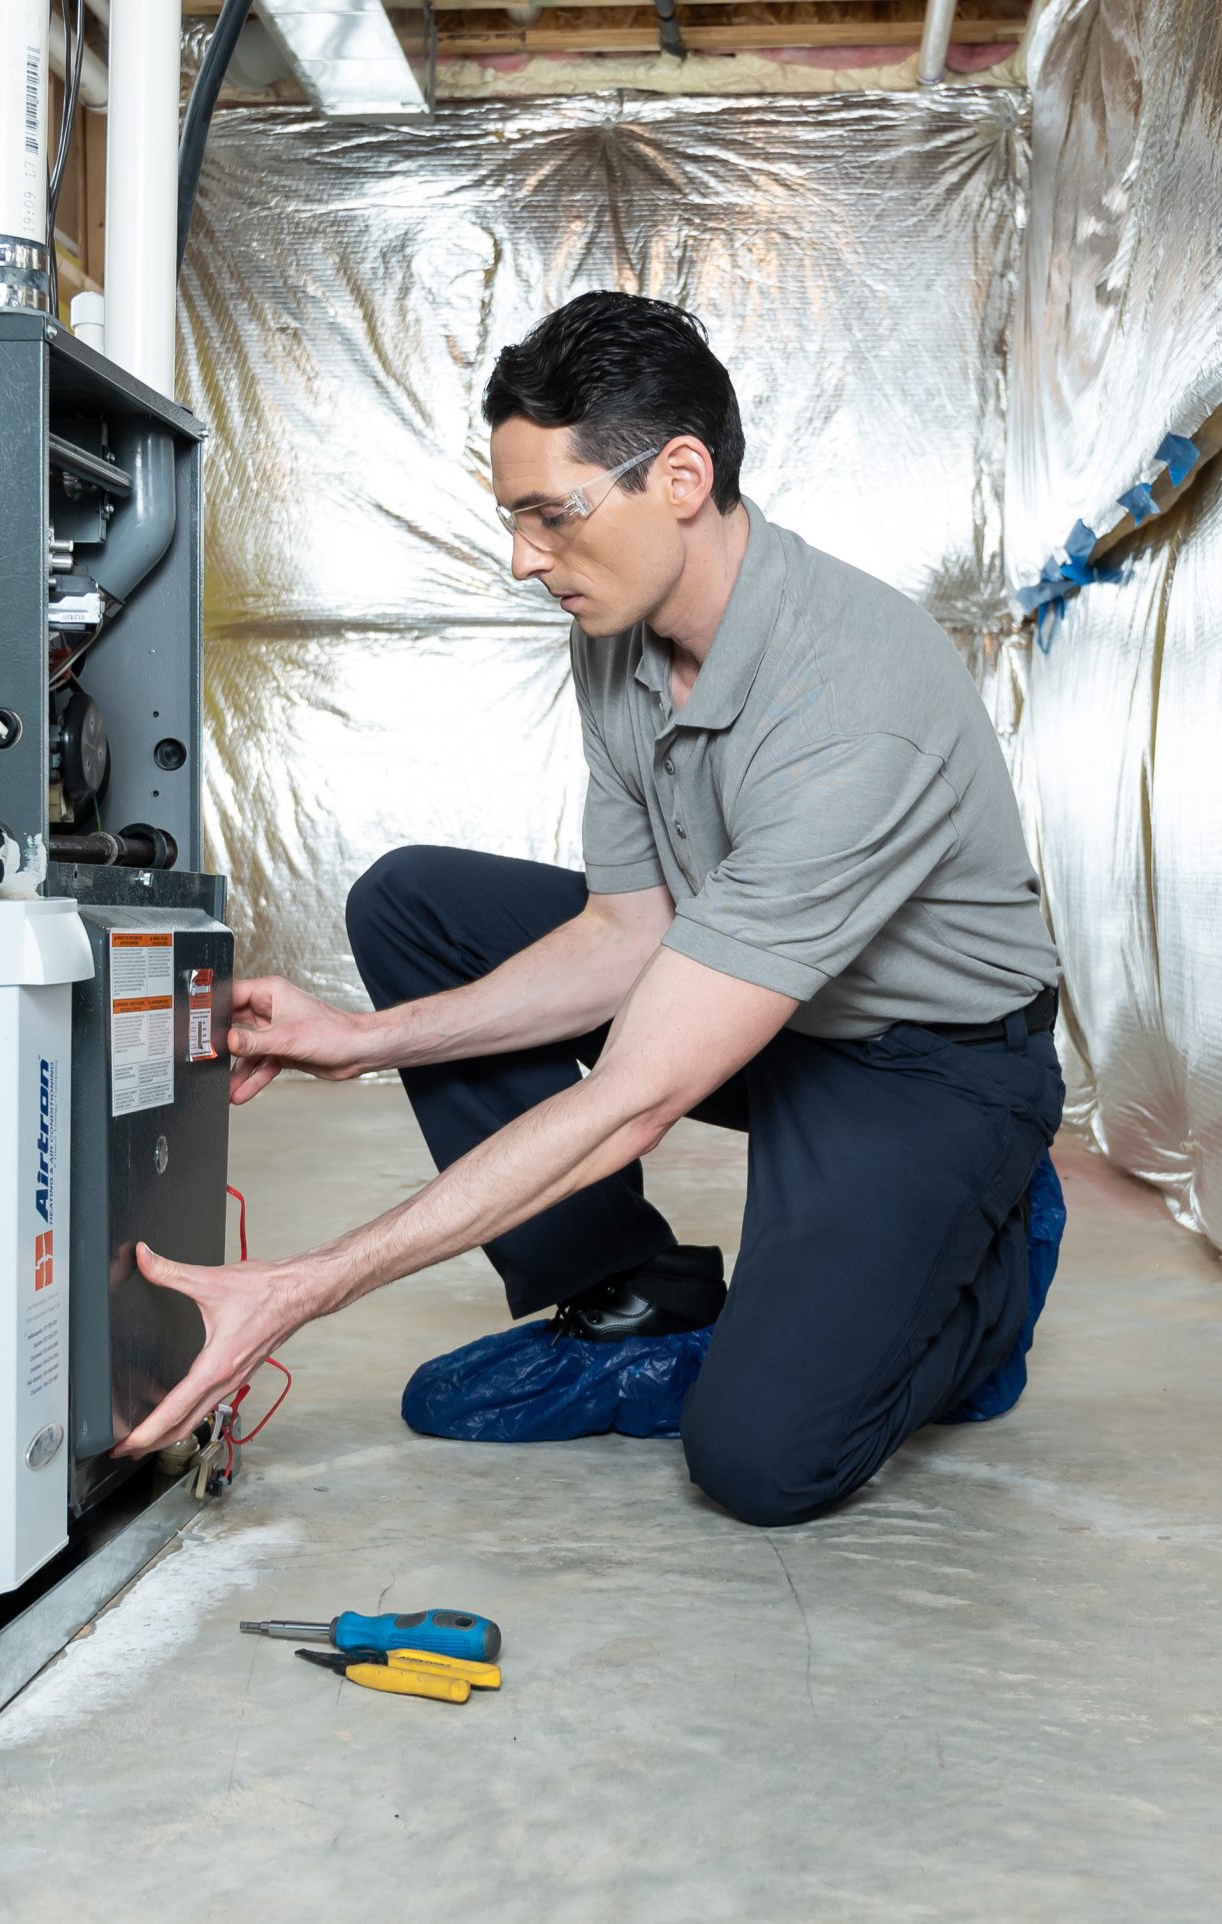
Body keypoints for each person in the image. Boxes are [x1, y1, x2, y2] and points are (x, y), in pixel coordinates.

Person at [116, 291, 1063, 1526]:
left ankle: (979, 1269)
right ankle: (629, 1296)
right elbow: (629, 933)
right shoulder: (616, 632)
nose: (522, 558)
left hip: (923, 1066)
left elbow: (633, 1097)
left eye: (549, 516)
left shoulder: (854, 702)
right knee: (414, 904)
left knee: (762, 1458)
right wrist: (361, 1040)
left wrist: (307, 1283)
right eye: (511, 518)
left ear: (680, 474)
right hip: (757, 1003)